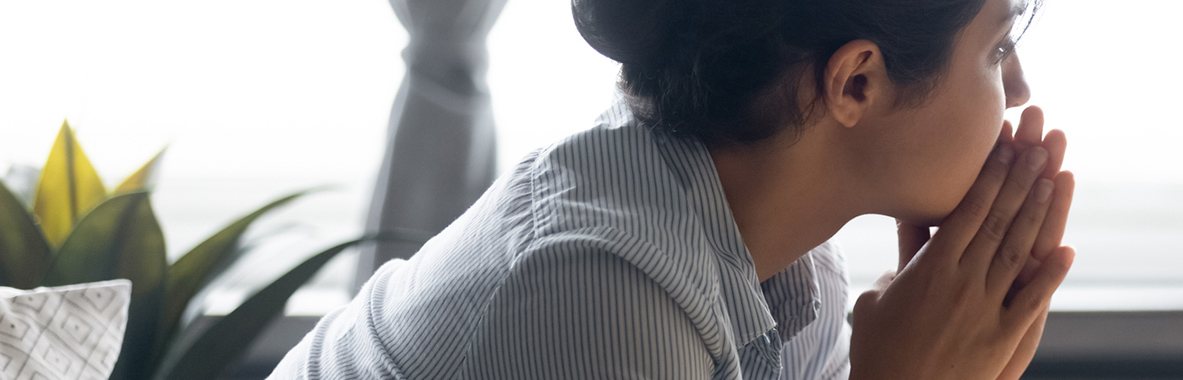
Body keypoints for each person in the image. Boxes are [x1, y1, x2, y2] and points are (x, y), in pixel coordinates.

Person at [266, 0, 1076, 378]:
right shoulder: (598, 294)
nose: (1019, 86)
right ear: (856, 84)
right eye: (997, 45)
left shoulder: (791, 269)